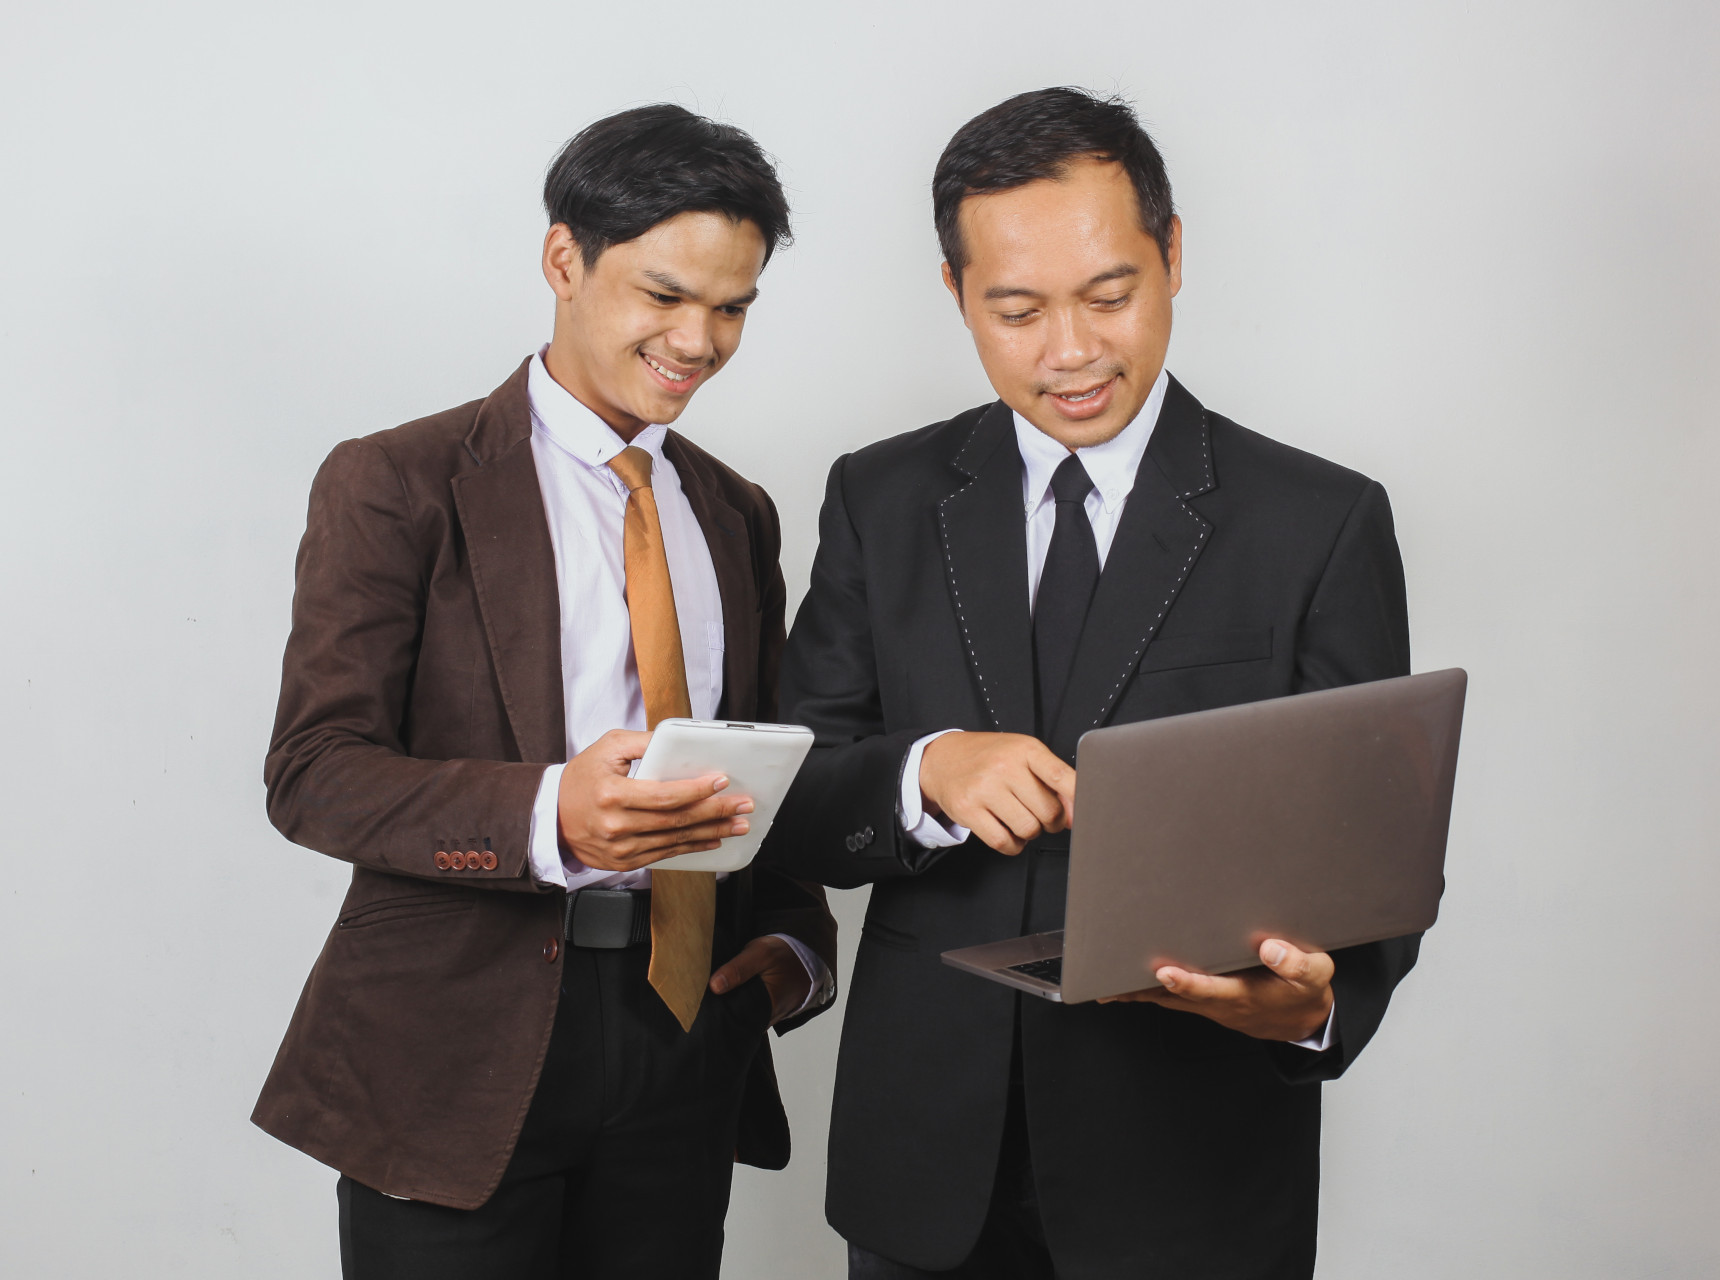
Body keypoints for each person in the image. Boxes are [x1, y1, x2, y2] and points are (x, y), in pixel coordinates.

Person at [764, 87, 1420, 1278]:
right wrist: (924, 772)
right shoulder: (880, 497)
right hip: (924, 1165)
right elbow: (788, 796)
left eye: (1109, 295)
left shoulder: (1317, 521)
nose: (1070, 351)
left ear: (1171, 257)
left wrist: (1313, 1007)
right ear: (956, 293)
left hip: (1191, 1172)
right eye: (1015, 310)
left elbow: (1368, 851)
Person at [254, 104, 837, 1280]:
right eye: (663, 295)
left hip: (681, 1025)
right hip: (452, 1045)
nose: (699, 339)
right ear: (562, 259)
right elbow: (314, 771)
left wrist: (788, 936)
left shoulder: (735, 510)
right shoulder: (396, 483)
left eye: (732, 307)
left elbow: (765, 756)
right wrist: (546, 813)